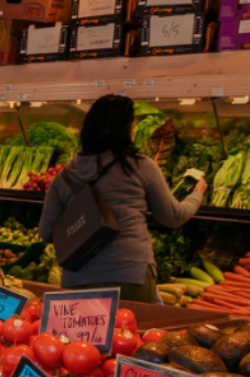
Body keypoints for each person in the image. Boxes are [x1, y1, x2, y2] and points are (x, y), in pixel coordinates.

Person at [38, 95, 207, 302]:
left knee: (81, 336)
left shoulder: (64, 177)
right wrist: (197, 193)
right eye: (133, 125)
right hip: (129, 277)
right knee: (131, 333)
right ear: (125, 130)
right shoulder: (140, 166)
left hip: (77, 280)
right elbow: (173, 216)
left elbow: (46, 233)